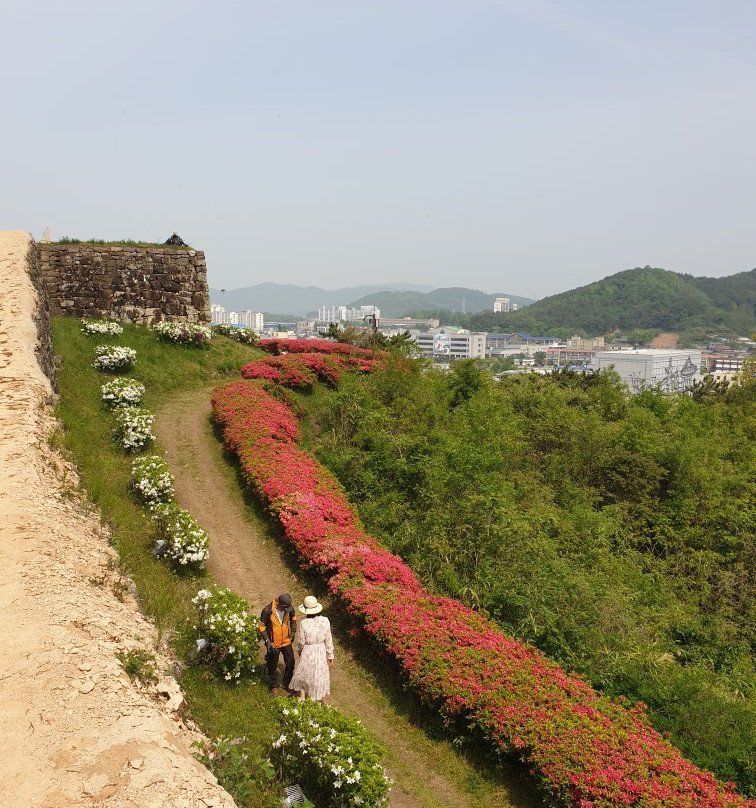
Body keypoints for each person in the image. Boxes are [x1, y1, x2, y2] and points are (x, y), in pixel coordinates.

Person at [288, 595, 334, 702]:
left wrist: (299, 650)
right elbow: (328, 639)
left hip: (308, 651)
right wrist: (330, 654)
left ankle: (302, 697)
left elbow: (301, 642)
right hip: (321, 650)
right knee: (319, 673)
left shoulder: (304, 623)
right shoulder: (325, 620)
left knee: (305, 673)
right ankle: (317, 699)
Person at [258, 593, 297, 694]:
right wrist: (268, 642)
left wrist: (292, 632)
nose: (288, 610)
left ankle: (287, 683)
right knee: (272, 665)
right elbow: (262, 627)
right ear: (279, 604)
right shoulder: (267, 610)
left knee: (291, 663)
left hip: (286, 641)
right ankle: (274, 685)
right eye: (286, 608)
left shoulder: (288, 608)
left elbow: (293, 618)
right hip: (273, 643)